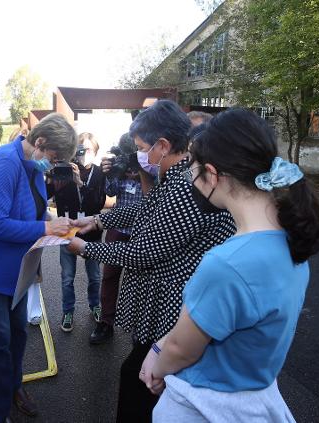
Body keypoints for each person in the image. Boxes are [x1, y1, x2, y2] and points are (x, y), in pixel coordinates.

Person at [139, 108, 319, 422]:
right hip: (256, 397)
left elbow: (183, 349)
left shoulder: (226, 264)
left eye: (193, 167)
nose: (191, 177)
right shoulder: (291, 241)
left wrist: (156, 363)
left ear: (212, 174)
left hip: (205, 405)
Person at [68, 100, 236, 423]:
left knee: (141, 382)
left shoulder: (186, 186)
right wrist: (99, 221)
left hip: (174, 310)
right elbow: (146, 212)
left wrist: (86, 249)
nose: (139, 156)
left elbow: (143, 252)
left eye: (143, 148)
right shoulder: (174, 177)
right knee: (141, 375)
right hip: (165, 304)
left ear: (163, 145)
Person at [0, 113, 77, 423]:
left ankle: (13, 386)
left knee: (17, 334)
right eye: (55, 157)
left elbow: (33, 210)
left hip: (15, 270)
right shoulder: (6, 161)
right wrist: (45, 230)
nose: (54, 164)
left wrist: (62, 223)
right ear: (41, 142)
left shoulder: (33, 164)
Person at [47, 132, 106, 332]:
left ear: (95, 152)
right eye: (79, 149)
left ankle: (95, 305)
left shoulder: (98, 173)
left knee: (95, 275)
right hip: (68, 230)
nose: (82, 154)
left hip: (91, 232)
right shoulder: (63, 170)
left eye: (87, 149)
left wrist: (81, 183)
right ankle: (68, 310)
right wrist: (50, 176)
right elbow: (47, 195)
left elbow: (98, 203)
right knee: (67, 277)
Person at [90, 133, 143, 344]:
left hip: (142, 231)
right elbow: (110, 192)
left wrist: (144, 174)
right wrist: (110, 172)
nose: (130, 167)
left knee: (140, 280)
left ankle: (140, 326)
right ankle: (106, 322)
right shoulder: (119, 164)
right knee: (109, 276)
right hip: (118, 228)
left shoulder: (153, 168)